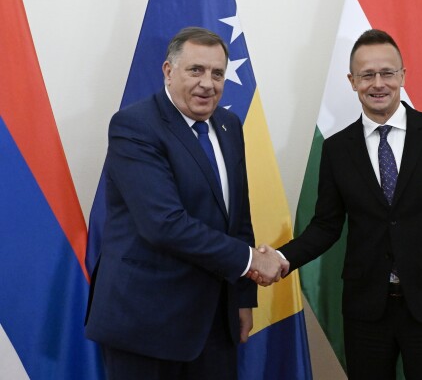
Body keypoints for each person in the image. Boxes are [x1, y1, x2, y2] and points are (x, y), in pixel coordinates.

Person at [276, 29, 422, 379]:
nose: (378, 83)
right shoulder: (337, 149)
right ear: (352, 81)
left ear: (402, 75)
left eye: (387, 73)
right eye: (367, 75)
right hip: (365, 308)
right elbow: (326, 225)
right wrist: (281, 258)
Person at [85, 27, 287, 380]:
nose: (208, 83)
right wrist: (253, 260)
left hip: (214, 323)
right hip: (146, 324)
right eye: (196, 70)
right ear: (168, 70)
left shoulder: (228, 125)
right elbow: (164, 224)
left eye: (217, 73)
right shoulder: (134, 126)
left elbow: (237, 218)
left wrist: (242, 298)